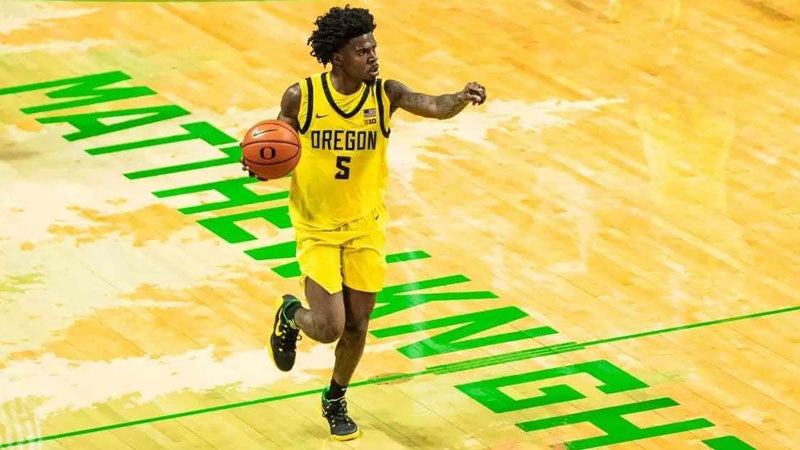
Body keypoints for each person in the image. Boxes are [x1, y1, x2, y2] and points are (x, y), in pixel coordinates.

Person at [246, 4, 486, 441]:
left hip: (366, 226)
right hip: (317, 227)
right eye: (363, 51)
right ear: (339, 57)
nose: (373, 57)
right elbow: (276, 144)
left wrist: (461, 97)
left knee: (358, 325)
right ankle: (289, 314)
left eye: (374, 48)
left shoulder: (386, 94)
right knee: (328, 327)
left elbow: (432, 105)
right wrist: (262, 165)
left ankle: (335, 397)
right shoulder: (301, 97)